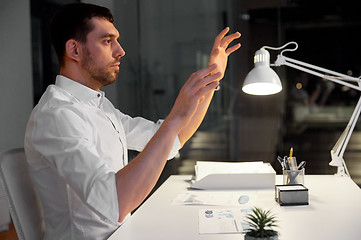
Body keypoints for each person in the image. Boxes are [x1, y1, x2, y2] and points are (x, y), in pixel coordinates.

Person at [24, 3, 241, 239]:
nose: (120, 50)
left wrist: (211, 80)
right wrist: (175, 116)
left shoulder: (98, 106)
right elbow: (114, 203)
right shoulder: (57, 115)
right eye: (107, 41)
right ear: (74, 50)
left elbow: (171, 140)